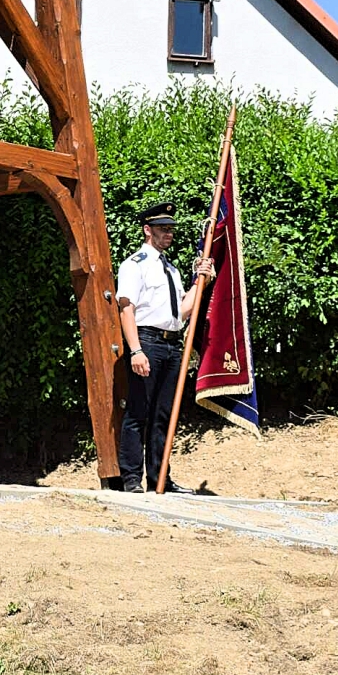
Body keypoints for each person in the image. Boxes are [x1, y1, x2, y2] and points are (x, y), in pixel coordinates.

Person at [116, 202, 214, 494]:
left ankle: (160, 479)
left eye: (170, 229)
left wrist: (201, 280)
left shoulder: (171, 270)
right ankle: (131, 479)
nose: (168, 234)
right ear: (148, 230)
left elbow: (182, 311)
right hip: (147, 341)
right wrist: (135, 350)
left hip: (171, 345)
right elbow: (126, 308)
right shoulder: (135, 265)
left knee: (163, 415)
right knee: (138, 412)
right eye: (162, 229)